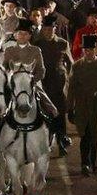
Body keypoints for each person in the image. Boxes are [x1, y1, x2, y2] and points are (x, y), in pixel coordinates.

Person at [65, 33, 97, 175]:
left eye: (91, 49)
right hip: (82, 106)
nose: (88, 52)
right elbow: (71, 88)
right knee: (85, 136)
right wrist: (70, 108)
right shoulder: (77, 66)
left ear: (96, 49)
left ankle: (95, 162)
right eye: (86, 50)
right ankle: (85, 163)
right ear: (83, 51)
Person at [33, 15, 73, 155]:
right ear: (43, 29)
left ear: (55, 29)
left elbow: (71, 64)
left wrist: (69, 81)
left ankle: (62, 141)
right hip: (44, 85)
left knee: (60, 114)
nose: (49, 31)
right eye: (47, 28)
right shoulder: (37, 45)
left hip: (59, 85)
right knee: (45, 113)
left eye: (52, 28)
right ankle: (46, 141)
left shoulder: (63, 44)